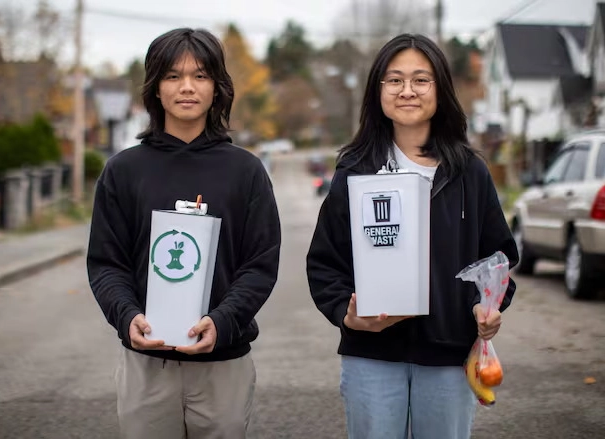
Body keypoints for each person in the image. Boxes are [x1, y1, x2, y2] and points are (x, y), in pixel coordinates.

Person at [306, 33, 519, 439]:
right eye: (394, 80)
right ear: (378, 91)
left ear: (441, 90)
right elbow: (324, 261)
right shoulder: (355, 171)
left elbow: (498, 258)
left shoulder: (469, 172)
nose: (407, 91)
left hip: (448, 356)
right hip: (371, 354)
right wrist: (345, 314)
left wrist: (485, 307)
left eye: (421, 80)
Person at [87, 28, 281, 439]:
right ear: (155, 88)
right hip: (146, 365)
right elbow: (107, 264)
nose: (187, 87)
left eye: (201, 75)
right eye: (173, 76)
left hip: (223, 364)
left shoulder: (245, 172)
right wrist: (127, 317)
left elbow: (260, 266)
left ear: (218, 88)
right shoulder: (123, 171)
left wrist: (222, 322)